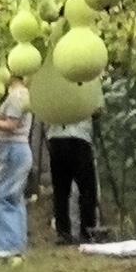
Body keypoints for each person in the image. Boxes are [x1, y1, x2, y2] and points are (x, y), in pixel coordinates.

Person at [0, 78, 34, 262]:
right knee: (14, 198)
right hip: (18, 151)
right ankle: (17, 247)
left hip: (14, 150)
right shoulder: (25, 94)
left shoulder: (16, 96)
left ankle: (4, 248)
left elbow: (11, 125)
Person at [45, 101, 101, 245]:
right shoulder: (86, 84)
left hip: (56, 137)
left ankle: (63, 233)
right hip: (80, 138)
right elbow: (97, 110)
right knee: (87, 189)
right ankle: (87, 231)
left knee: (61, 190)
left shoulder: (54, 87)